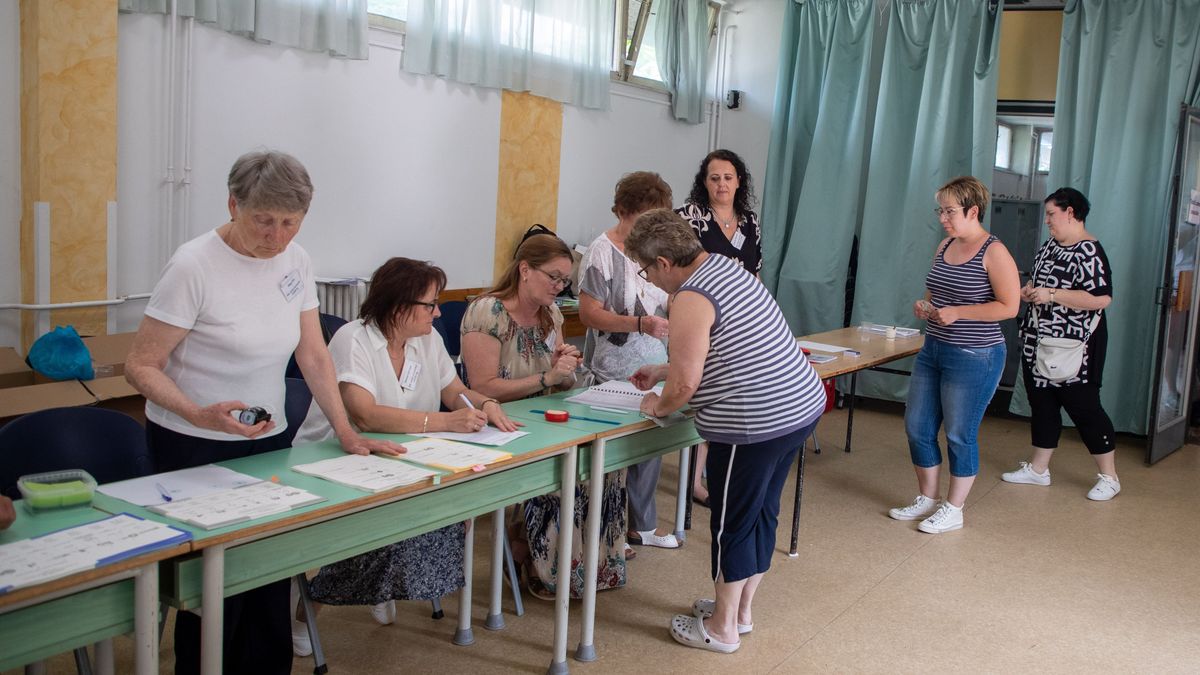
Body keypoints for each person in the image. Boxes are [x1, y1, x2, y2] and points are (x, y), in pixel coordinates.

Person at [125, 150, 401, 675]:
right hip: (193, 444)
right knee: (213, 592)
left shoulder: (296, 260)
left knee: (270, 575)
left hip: (266, 441)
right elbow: (139, 366)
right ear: (233, 204)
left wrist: (346, 430)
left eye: (290, 223)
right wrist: (197, 413)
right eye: (263, 220)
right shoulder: (193, 265)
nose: (276, 236)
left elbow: (312, 353)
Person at [288, 257, 520, 655]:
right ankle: (308, 611)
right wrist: (444, 423)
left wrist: (488, 403)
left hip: (405, 457)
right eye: (430, 304)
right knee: (365, 530)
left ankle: (384, 585)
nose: (438, 312)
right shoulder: (352, 339)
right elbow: (363, 413)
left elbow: (453, 392)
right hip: (338, 459)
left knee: (449, 511)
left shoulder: (426, 339)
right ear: (398, 306)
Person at [625, 209, 826, 654]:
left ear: (662, 262)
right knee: (760, 512)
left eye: (645, 268)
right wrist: (664, 368)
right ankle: (740, 611)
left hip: (754, 422)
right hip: (799, 407)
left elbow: (684, 386)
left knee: (731, 523)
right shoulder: (725, 269)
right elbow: (722, 347)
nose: (649, 279)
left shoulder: (690, 297)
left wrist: (657, 403)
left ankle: (721, 629)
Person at [460, 234, 626, 599]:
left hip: (543, 415)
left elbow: (553, 377)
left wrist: (564, 365)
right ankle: (541, 562)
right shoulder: (488, 312)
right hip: (498, 422)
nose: (559, 286)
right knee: (567, 474)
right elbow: (482, 387)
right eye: (554, 277)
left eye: (565, 280)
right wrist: (546, 377)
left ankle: (589, 566)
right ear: (524, 270)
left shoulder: (550, 313)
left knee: (606, 467)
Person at [890, 176, 1020, 534]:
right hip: (934, 347)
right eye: (941, 210)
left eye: (949, 211)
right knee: (917, 426)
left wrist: (960, 312)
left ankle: (954, 508)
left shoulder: (994, 251)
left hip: (976, 354)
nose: (942, 218)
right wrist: (926, 305)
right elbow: (934, 292)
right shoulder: (945, 245)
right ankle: (927, 498)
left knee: (961, 433)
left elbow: (1009, 307)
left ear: (973, 211)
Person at [579, 171, 678, 550]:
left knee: (648, 450)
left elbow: (667, 298)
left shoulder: (655, 250)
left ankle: (641, 527)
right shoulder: (600, 252)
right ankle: (611, 531)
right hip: (613, 366)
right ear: (622, 212)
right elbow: (589, 315)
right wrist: (640, 322)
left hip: (655, 361)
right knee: (616, 456)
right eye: (642, 219)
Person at [1002, 188, 1119, 500]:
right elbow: (1041, 284)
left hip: (1076, 346)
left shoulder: (1090, 251)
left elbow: (1101, 298)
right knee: (1042, 402)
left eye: (1052, 214)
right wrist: (1031, 291)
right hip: (1039, 339)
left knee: (1084, 407)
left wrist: (1053, 295)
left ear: (1071, 213)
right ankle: (1039, 469)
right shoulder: (1050, 247)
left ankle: (1109, 476)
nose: (1048, 221)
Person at [676, 149, 762, 507]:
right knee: (698, 397)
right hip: (699, 318)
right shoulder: (690, 217)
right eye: (714, 178)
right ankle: (692, 480)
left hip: (737, 323)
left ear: (739, 181)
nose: (721, 184)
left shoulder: (750, 221)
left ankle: (715, 468)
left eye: (728, 177)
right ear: (704, 182)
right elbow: (677, 268)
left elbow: (756, 272)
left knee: (725, 396)